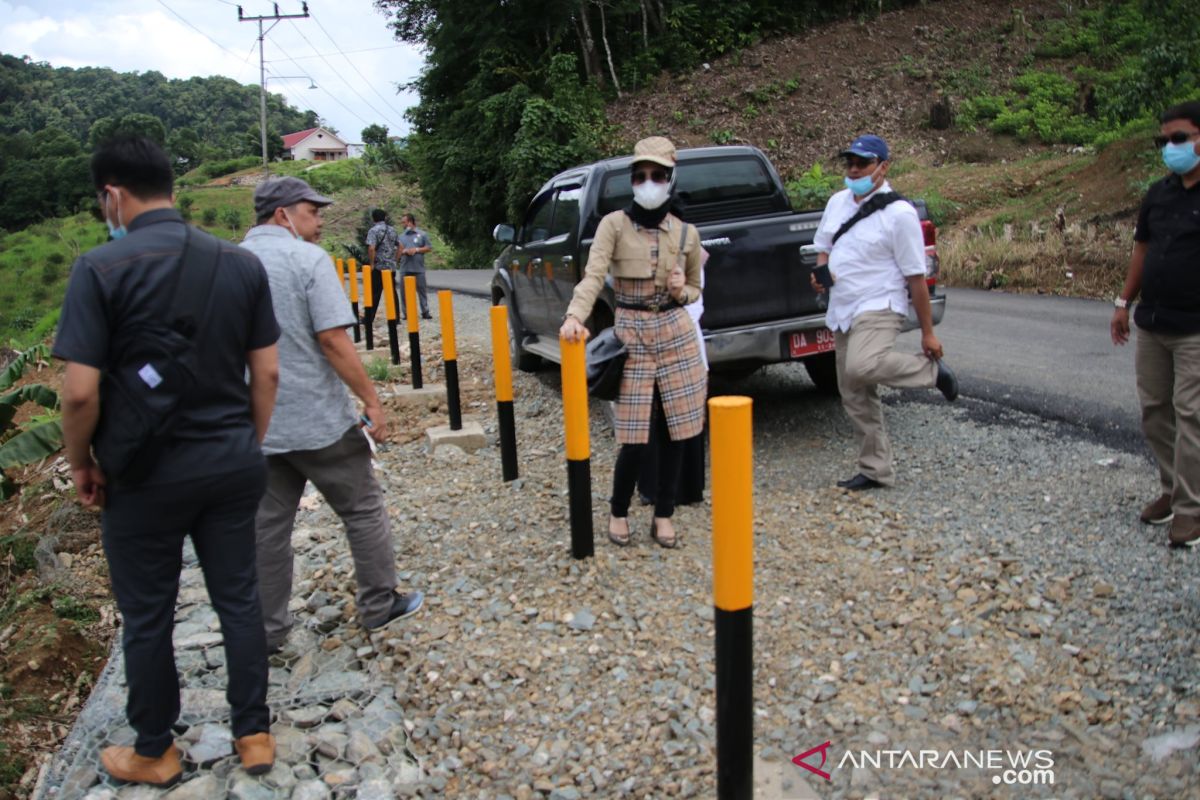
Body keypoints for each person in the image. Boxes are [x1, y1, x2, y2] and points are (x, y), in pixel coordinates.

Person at [55, 136, 280, 785]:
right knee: (239, 597)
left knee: (149, 612)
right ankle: (254, 733)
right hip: (232, 461)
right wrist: (247, 441)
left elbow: (78, 394)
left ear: (112, 195)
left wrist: (81, 464)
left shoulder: (98, 269)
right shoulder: (239, 265)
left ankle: (154, 749)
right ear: (172, 189)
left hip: (144, 475)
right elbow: (266, 373)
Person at [239, 176, 424, 654]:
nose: (320, 221)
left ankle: (267, 632)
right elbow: (333, 340)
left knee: (266, 529)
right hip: (317, 419)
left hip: (256, 425)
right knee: (362, 509)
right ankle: (379, 605)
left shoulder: (228, 264)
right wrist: (372, 400)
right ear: (284, 215)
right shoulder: (306, 260)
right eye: (312, 211)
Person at [559, 136, 706, 548]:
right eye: (640, 175)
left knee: (680, 430)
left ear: (670, 179)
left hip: (677, 334)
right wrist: (575, 315)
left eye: (657, 175)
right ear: (632, 180)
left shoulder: (686, 232)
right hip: (632, 335)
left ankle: (664, 514)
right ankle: (619, 509)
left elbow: (695, 288)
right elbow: (592, 276)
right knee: (635, 434)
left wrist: (683, 291)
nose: (648, 182)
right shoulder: (613, 225)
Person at [810, 134, 958, 491]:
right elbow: (823, 247)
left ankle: (930, 373)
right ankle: (876, 469)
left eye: (863, 163)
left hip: (880, 304)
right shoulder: (837, 203)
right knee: (853, 392)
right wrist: (820, 274)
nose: (855, 169)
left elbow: (916, 277)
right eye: (850, 163)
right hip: (843, 307)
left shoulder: (900, 214)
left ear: (883, 167)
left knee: (861, 365)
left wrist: (927, 333)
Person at [1111, 101, 1200, 546]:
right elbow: (1142, 250)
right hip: (1153, 321)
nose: (1170, 147)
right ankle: (1172, 489)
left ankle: (1191, 511)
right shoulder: (1158, 193)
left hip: (1195, 330)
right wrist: (1123, 302)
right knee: (1154, 413)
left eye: (1179, 138)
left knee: (1192, 416)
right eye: (1163, 141)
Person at [363, 208, 400, 330]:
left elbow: (371, 248)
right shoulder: (392, 230)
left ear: (373, 219)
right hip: (391, 267)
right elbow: (401, 246)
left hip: (379, 266)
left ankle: (369, 317)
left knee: (375, 292)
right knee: (392, 292)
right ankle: (396, 318)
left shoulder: (373, 231)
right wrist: (395, 259)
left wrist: (372, 263)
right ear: (385, 218)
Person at [398, 212, 433, 319]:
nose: (402, 224)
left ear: (410, 222)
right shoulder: (401, 237)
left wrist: (416, 249)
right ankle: (407, 313)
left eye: (404, 222)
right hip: (405, 267)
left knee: (422, 290)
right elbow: (398, 252)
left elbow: (429, 248)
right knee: (404, 292)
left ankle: (425, 311)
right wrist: (405, 251)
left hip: (419, 268)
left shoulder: (422, 234)